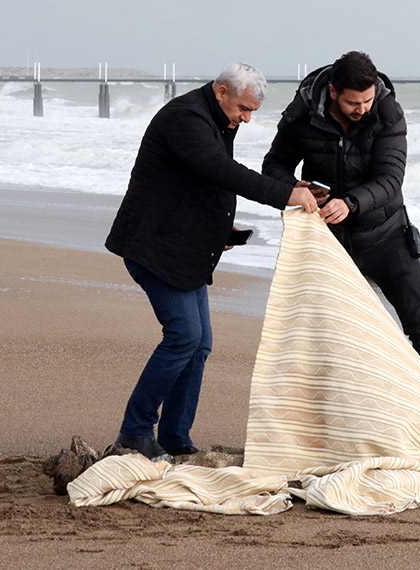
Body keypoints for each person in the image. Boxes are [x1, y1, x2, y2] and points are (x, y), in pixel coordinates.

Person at [105, 63, 318, 460]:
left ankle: (174, 437)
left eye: (253, 111)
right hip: (155, 245)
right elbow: (222, 171)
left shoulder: (219, 119)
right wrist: (284, 193)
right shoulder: (186, 118)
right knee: (184, 336)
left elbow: (201, 185)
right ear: (221, 92)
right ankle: (135, 431)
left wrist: (223, 231)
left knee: (199, 343)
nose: (247, 118)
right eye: (243, 108)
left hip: (185, 245)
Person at [262, 51, 420, 394]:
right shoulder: (302, 113)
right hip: (327, 241)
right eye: (353, 102)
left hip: (387, 235)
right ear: (333, 92)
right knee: (331, 335)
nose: (362, 108)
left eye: (367, 99)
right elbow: (273, 166)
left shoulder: (387, 112)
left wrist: (351, 203)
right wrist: (294, 187)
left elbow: (392, 179)